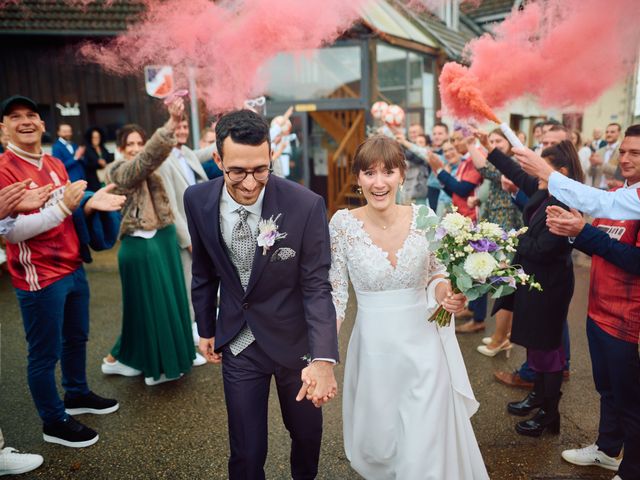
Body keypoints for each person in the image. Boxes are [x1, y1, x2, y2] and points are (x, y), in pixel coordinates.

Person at [184, 109, 339, 480]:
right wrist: (205, 329)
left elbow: (317, 286)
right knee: (246, 451)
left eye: (260, 169)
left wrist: (323, 358)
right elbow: (203, 269)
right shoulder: (197, 200)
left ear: (271, 155)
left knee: (305, 435)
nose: (250, 183)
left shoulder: (305, 205)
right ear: (217, 159)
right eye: (237, 171)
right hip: (239, 340)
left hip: (295, 342)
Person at [329, 135, 488, 479]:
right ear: (358, 178)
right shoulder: (342, 225)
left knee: (424, 446)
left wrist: (448, 292)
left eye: (388, 172)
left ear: (402, 175)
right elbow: (336, 297)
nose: (379, 182)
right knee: (382, 447)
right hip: (373, 355)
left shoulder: (424, 217)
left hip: (425, 348)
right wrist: (321, 357)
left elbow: (437, 274)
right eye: (369, 173)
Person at [0, 95, 124, 448]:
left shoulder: (55, 162)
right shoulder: (4, 167)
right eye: (15, 116)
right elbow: (8, 231)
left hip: (71, 266)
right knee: (43, 354)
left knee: (76, 339)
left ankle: (77, 394)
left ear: (42, 124)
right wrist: (64, 208)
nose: (25, 122)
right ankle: (53, 421)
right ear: (3, 127)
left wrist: (88, 206)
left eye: (32, 116)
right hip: (39, 275)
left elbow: (68, 210)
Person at [545, 125, 640, 479]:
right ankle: (607, 449)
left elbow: (634, 261)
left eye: (636, 153)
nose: (626, 158)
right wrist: (573, 231)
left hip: (628, 319)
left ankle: (632, 469)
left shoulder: (633, 203)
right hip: (598, 311)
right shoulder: (616, 194)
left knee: (631, 400)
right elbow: (598, 241)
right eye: (625, 151)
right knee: (607, 389)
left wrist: (582, 232)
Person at [486, 140, 583, 437]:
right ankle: (538, 397)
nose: (534, 169)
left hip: (549, 286)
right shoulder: (546, 189)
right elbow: (518, 174)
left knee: (548, 351)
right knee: (535, 345)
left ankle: (549, 414)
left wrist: (513, 237)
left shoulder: (565, 203)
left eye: (542, 164)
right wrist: (490, 150)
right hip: (533, 280)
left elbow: (543, 248)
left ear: (561, 171)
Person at [102, 98, 197, 386]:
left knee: (170, 303)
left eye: (138, 142)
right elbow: (142, 164)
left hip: (163, 239)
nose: (134, 148)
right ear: (120, 149)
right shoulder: (117, 170)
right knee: (146, 309)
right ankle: (148, 364)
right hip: (139, 246)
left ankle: (145, 360)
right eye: (128, 143)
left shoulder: (151, 165)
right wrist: (170, 124)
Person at [157, 114, 214, 351]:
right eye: (177, 126)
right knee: (189, 287)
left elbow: (209, 151)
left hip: (198, 227)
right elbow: (170, 206)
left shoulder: (186, 153)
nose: (181, 130)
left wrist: (229, 132)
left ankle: (198, 332)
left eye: (184, 126)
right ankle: (192, 343)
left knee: (200, 283)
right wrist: (188, 240)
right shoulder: (163, 160)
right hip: (184, 236)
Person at [589, 123, 622, 189]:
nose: (608, 134)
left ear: (619, 133)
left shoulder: (622, 151)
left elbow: (621, 172)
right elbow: (591, 174)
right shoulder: (599, 151)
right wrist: (593, 165)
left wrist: (601, 163)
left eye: (612, 132)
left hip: (612, 189)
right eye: (607, 132)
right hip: (597, 188)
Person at [82, 127, 113, 192]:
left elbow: (109, 159)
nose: (96, 139)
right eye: (94, 137)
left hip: (105, 177)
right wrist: (97, 163)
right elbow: (86, 164)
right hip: (94, 180)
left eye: (98, 137)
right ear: (90, 138)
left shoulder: (103, 148)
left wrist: (105, 162)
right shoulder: (87, 150)